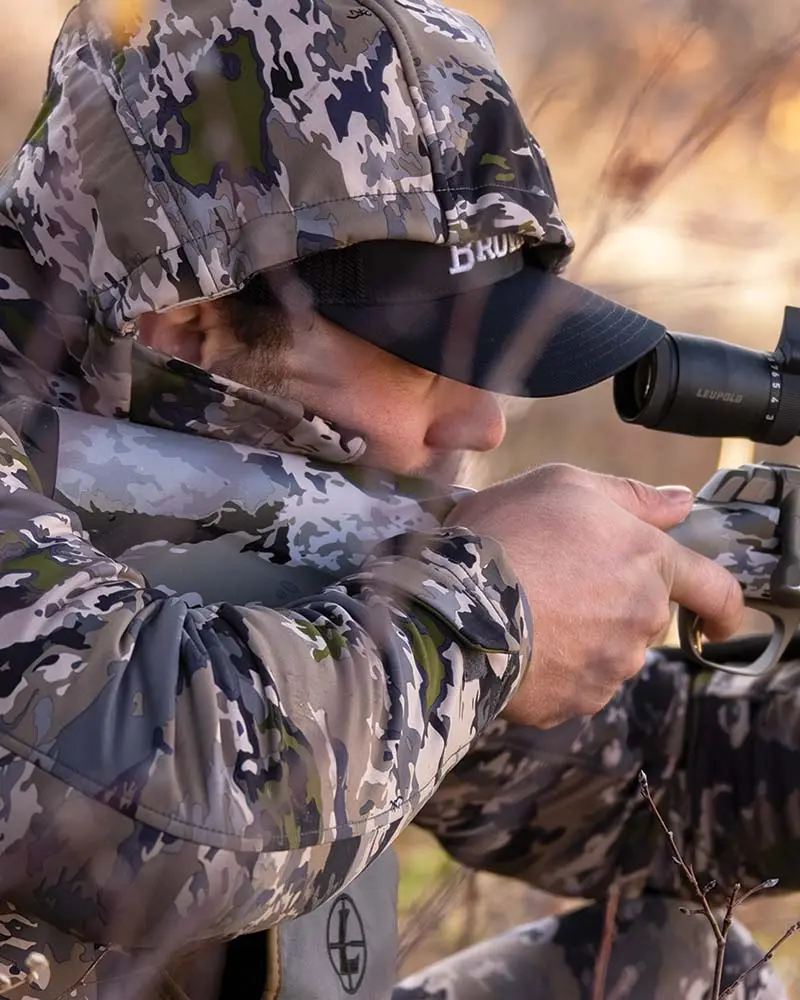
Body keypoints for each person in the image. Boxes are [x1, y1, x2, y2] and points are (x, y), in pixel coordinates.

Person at [0, 1, 794, 998]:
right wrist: (492, 610)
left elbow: (658, 777)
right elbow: (133, 806)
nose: (485, 424)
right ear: (188, 322)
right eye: (425, 362)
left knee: (675, 972)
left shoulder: (272, 510)